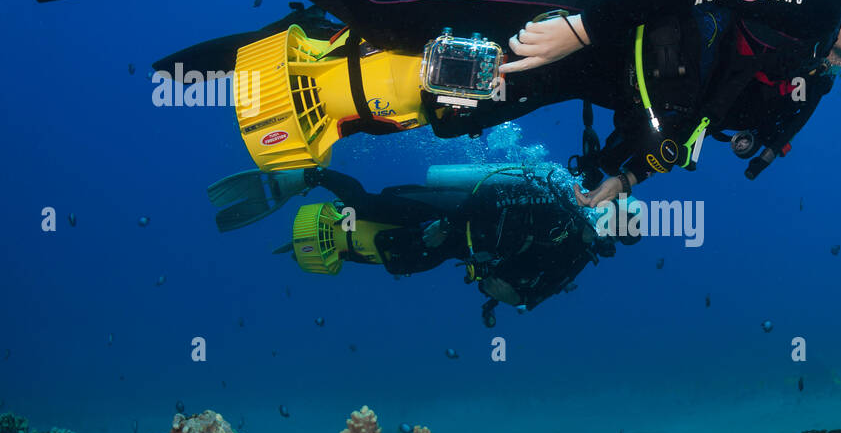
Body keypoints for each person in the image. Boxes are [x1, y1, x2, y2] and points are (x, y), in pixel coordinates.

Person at [20, 0, 841, 205]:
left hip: (590, 62)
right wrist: (585, 25)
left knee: (442, 111)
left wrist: (620, 172)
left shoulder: (805, 82)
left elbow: (685, 123)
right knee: (382, 2)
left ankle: (294, 52)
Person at [208, 161, 638, 325]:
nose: (604, 232)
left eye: (612, 234)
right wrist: (455, 225)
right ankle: (310, 177)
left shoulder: (577, 253)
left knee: (396, 256)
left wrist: (491, 282)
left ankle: (328, 233)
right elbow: (492, 199)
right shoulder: (561, 200)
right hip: (453, 209)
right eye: (609, 222)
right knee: (366, 205)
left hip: (454, 243)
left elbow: (528, 296)